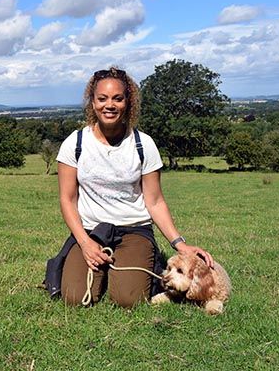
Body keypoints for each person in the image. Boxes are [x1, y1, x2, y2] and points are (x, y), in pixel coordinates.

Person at [55, 66, 214, 308]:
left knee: (128, 300)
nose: (110, 105)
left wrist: (180, 245)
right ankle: (95, 267)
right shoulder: (74, 143)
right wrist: (85, 244)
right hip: (91, 231)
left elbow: (155, 201)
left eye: (118, 98)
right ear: (92, 102)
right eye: (102, 98)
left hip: (134, 230)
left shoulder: (143, 144)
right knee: (74, 298)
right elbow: (68, 199)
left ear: (128, 102)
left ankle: (132, 266)